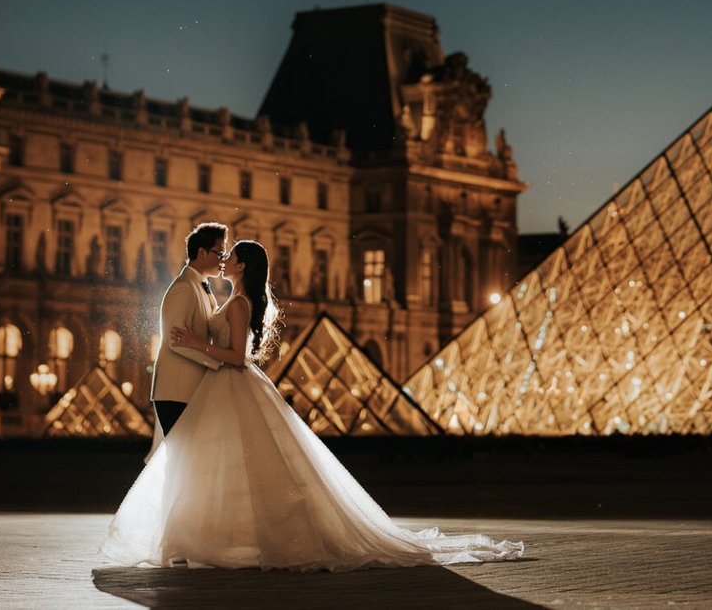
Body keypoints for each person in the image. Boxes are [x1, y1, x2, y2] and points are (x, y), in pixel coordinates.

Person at [101, 239, 523, 570]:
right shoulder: (235, 299)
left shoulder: (240, 303)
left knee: (222, 466)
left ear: (244, 265)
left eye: (232, 256)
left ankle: (217, 536)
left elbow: (236, 357)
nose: (225, 260)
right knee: (236, 467)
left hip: (230, 382)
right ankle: (222, 535)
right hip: (229, 388)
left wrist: (194, 342)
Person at [148, 222, 226, 441]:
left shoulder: (199, 287)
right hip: (177, 392)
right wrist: (218, 363)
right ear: (202, 252)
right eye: (219, 253)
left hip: (188, 390)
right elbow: (176, 341)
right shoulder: (184, 287)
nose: (223, 259)